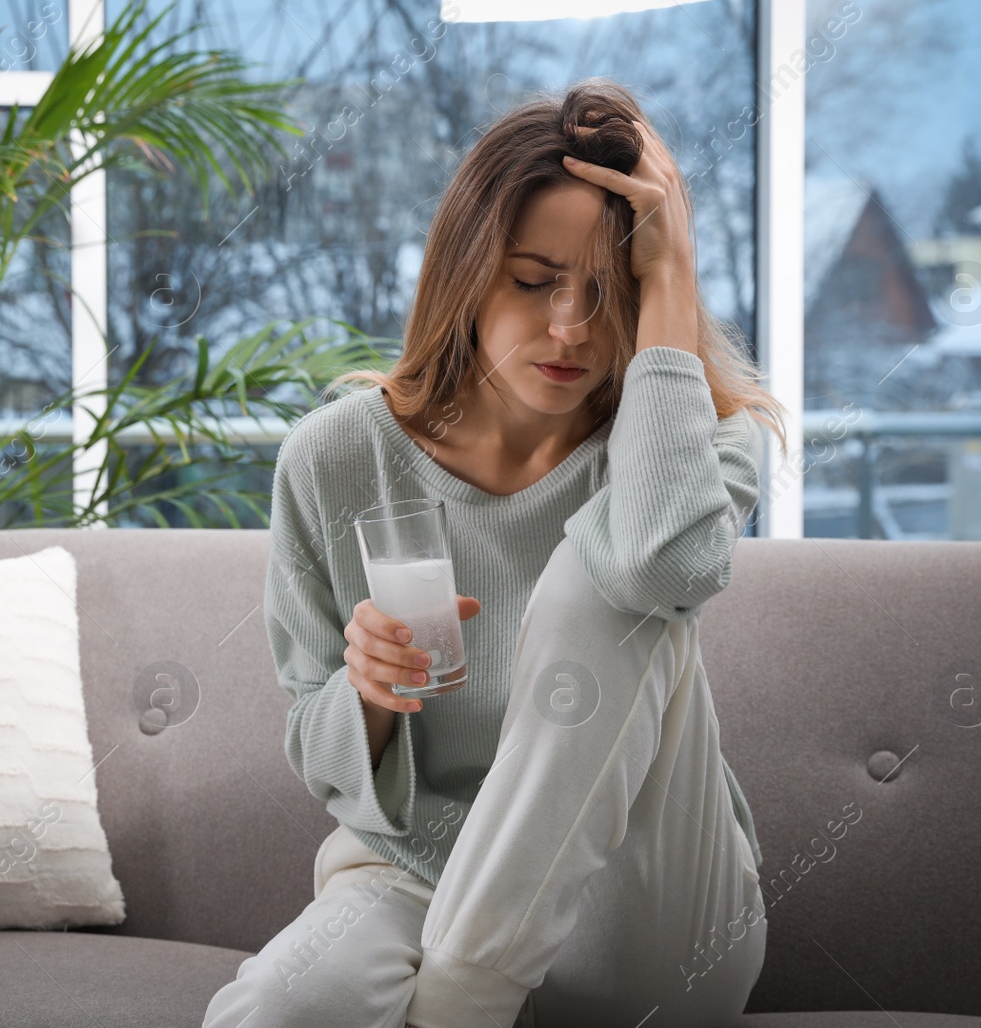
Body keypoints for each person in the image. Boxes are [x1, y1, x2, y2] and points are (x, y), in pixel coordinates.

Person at [203, 78, 790, 1028]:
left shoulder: (691, 440)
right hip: (413, 877)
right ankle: (460, 982)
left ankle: (460, 1005)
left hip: (642, 909)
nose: (571, 326)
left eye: (612, 290)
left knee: (604, 583)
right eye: (533, 281)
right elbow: (318, 753)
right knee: (281, 1004)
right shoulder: (337, 456)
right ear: (467, 273)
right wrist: (369, 695)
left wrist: (675, 263)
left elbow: (658, 570)